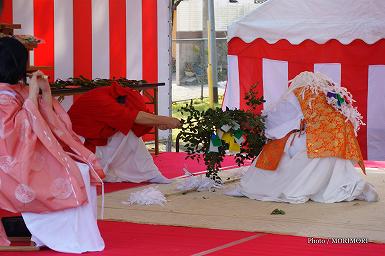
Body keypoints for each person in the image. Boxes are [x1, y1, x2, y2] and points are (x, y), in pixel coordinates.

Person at [0, 36, 105, 253]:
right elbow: (11, 134)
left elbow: (42, 118)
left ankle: (76, 235)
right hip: (10, 163)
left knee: (81, 169)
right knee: (70, 176)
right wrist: (31, 95)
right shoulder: (4, 95)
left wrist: (44, 92)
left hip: (27, 155)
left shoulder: (14, 89)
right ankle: (61, 235)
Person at [226, 71, 378, 203]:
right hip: (341, 142)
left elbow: (277, 120)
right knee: (337, 173)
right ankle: (355, 187)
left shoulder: (298, 94)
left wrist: (258, 125)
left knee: (275, 149)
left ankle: (250, 187)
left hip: (315, 141)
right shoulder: (330, 93)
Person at [68, 81, 181, 184]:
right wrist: (165, 120)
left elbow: (136, 117)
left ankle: (150, 173)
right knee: (127, 132)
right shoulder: (101, 99)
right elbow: (134, 117)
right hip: (79, 139)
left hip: (99, 133)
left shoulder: (117, 98)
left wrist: (157, 123)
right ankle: (108, 171)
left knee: (130, 135)